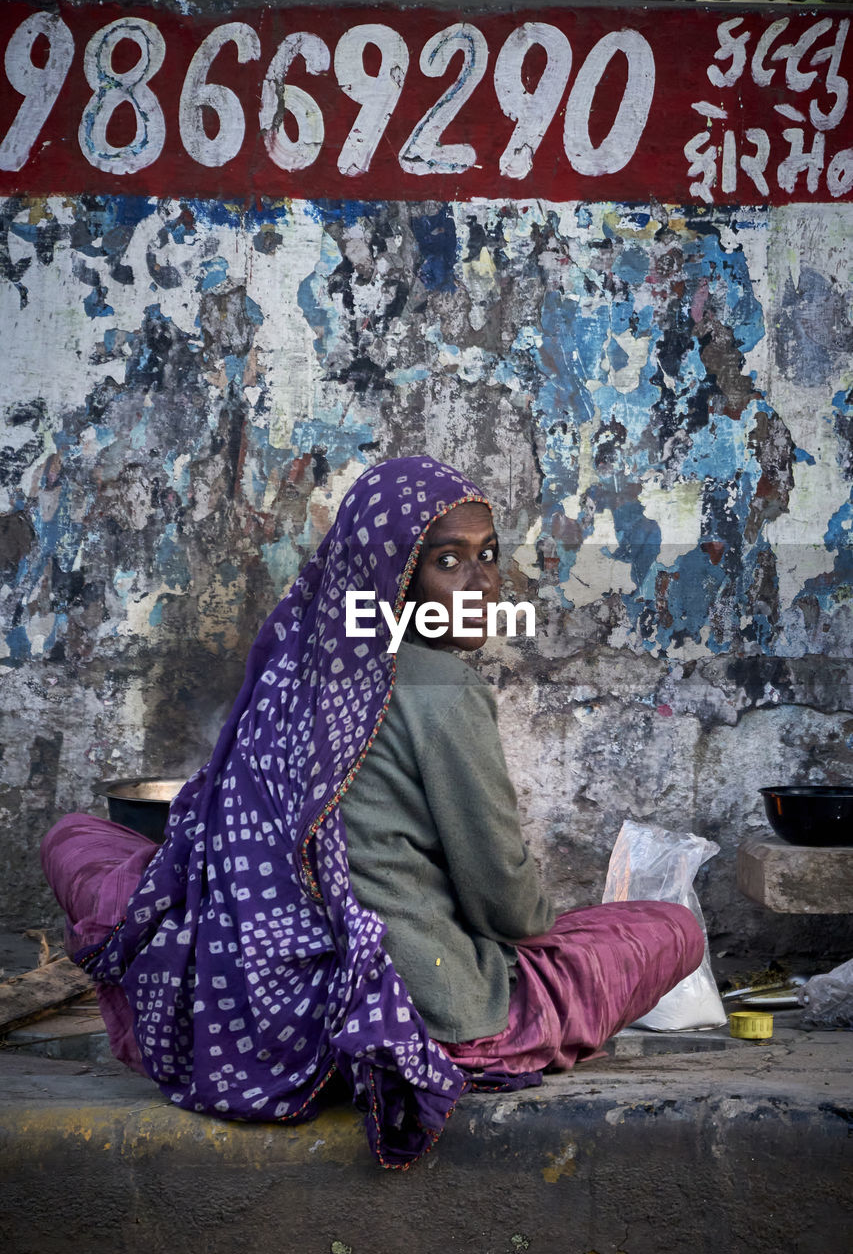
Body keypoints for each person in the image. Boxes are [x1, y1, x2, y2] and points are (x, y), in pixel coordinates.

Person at [42, 456, 703, 1168]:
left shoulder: (291, 663)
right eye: (447, 561)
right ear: (390, 575)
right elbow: (507, 909)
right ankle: (390, 1046)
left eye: (487, 556)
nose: (481, 584)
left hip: (256, 998)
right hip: (425, 1008)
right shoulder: (444, 688)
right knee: (667, 926)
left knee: (75, 838)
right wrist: (542, 925)